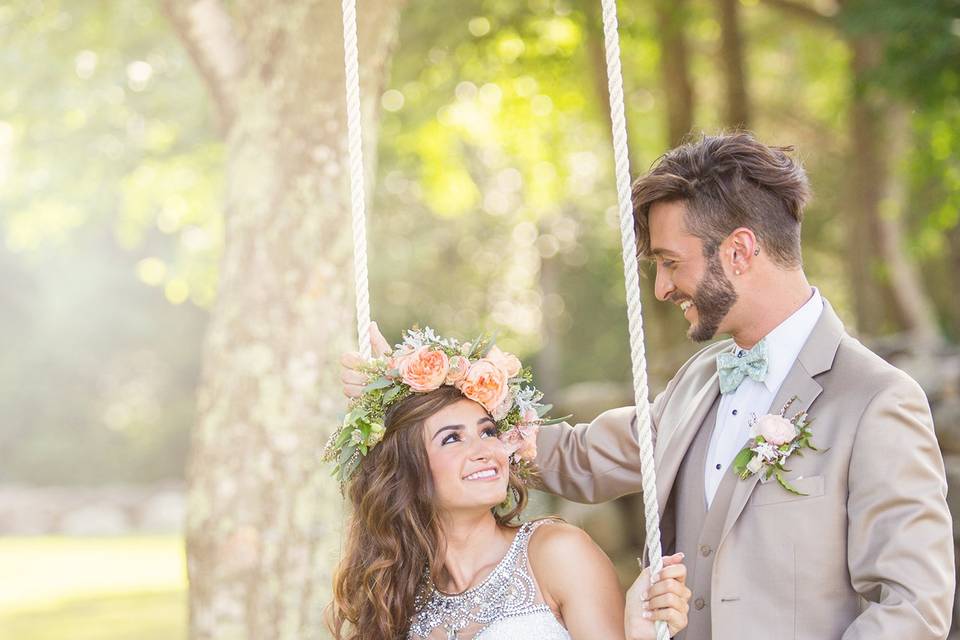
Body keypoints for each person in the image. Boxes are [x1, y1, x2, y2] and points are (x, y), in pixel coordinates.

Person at [343, 133, 955, 639]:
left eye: (669, 263)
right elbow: (579, 457)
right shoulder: (700, 381)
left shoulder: (876, 400)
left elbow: (913, 604)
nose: (662, 290)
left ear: (739, 251)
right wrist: (414, 386)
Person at [328, 328, 691, 640]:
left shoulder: (556, 554)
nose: (484, 450)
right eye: (452, 439)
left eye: (487, 431)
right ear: (406, 470)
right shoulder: (397, 592)